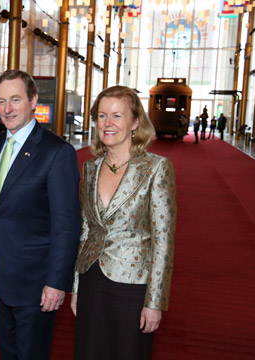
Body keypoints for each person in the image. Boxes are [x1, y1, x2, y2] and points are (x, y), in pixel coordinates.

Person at [0, 70, 81, 360]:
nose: (7, 109)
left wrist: (57, 282)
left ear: (33, 100)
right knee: (8, 353)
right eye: (0, 102)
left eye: (15, 100)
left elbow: (66, 225)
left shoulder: (57, 152)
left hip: (36, 283)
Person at [70, 85, 177, 360]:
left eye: (117, 116)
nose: (108, 123)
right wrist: (76, 287)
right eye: (102, 116)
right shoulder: (90, 168)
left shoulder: (156, 168)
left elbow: (163, 241)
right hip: (92, 278)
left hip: (133, 285)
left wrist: (155, 302)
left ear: (135, 122)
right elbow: (85, 230)